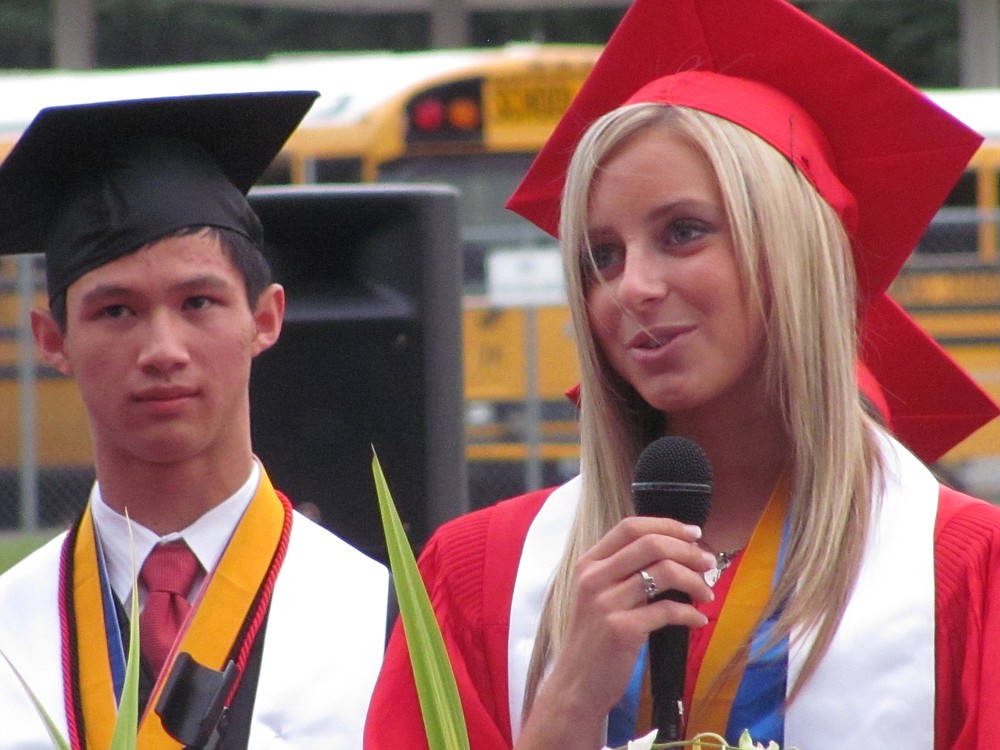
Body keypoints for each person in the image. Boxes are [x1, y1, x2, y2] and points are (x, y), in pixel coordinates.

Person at [364, 0, 1000, 748]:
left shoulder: (961, 572)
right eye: (601, 255)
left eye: (684, 232)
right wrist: (568, 701)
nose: (632, 286)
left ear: (791, 249)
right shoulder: (482, 576)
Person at [0, 92, 388, 749]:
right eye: (116, 311)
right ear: (51, 340)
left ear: (265, 318)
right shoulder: (11, 631)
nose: (163, 351)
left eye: (199, 302)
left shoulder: (389, 619)